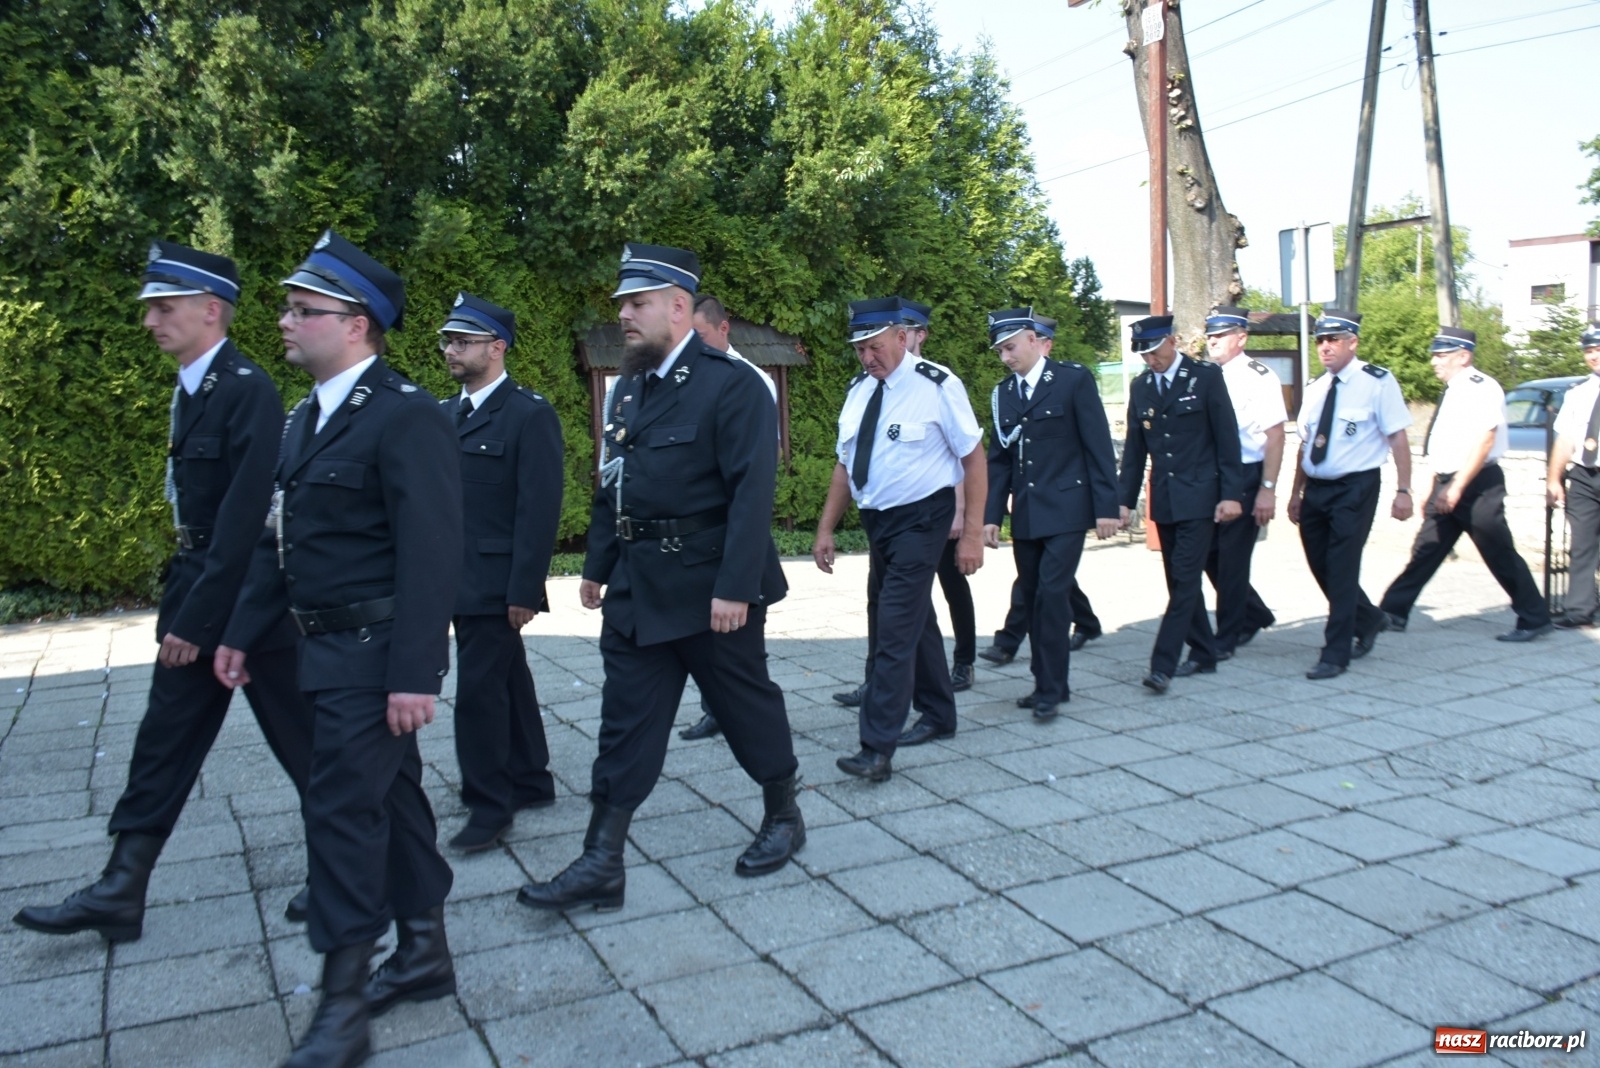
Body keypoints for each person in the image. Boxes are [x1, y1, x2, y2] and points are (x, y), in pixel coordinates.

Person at [14, 243, 314, 944]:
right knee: (164, 739)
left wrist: (201, 619)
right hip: (198, 588)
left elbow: (247, 522)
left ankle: (354, 863)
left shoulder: (248, 389)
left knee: (307, 744)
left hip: (249, 604)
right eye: (151, 307)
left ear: (212, 311)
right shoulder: (193, 388)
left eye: (165, 307)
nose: (150, 320)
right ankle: (122, 885)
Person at [215, 230, 462, 1067]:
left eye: (302, 310)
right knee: (390, 802)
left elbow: (433, 552)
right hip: (321, 649)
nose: (284, 322)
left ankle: (343, 1004)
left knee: (339, 813)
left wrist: (416, 673)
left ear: (356, 324)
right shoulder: (305, 417)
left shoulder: (404, 414)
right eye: (288, 308)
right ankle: (424, 950)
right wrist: (242, 631)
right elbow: (277, 540)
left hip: (376, 651)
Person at [518, 243, 803, 913]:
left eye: (636, 302)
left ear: (679, 307)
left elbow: (751, 492)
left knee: (744, 708)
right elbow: (613, 481)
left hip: (711, 591)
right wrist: (597, 563)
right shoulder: (631, 388)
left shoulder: (734, 385)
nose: (623, 314)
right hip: (639, 588)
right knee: (624, 723)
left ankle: (785, 813)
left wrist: (736, 586)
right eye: (622, 302)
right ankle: (601, 860)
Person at [814, 297, 985, 781]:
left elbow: (974, 460)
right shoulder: (858, 391)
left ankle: (876, 747)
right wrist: (826, 528)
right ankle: (939, 713)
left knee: (893, 625)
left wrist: (971, 533)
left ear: (901, 336)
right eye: (859, 349)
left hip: (923, 519)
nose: (868, 357)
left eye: (874, 346)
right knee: (916, 619)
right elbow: (845, 466)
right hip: (879, 522)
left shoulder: (937, 384)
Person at [438, 292, 564, 851]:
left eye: (462, 341)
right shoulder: (443, 414)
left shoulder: (527, 414)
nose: (450, 350)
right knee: (508, 679)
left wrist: (523, 591)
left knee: (478, 696)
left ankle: (489, 805)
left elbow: (537, 512)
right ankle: (531, 779)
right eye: (447, 340)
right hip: (455, 580)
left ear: (497, 347)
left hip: (495, 584)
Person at [981, 307, 1119, 720]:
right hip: (1026, 513)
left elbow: (1098, 447)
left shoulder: (1073, 381)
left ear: (1033, 340)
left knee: (1052, 597)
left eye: (1011, 347)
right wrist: (991, 516)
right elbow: (1000, 460)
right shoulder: (1004, 393)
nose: (1006, 357)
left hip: (1067, 509)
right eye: (1000, 351)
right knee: (1034, 595)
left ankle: (1051, 689)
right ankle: (1047, 684)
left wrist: (1106, 508)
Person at [1378, 327, 1550, 641]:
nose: (1434, 361)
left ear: (1463, 356)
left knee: (1497, 550)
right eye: (1434, 354)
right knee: (1425, 550)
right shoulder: (1454, 389)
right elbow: (1443, 444)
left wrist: (1456, 487)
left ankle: (1534, 617)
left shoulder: (1480, 387)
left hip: (1477, 484)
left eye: (1441, 355)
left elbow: (1486, 440)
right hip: (1448, 481)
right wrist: (1434, 484)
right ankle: (1393, 611)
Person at [1116, 315, 1246, 693]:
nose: (1150, 360)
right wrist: (1123, 502)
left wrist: (1231, 494)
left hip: (1202, 496)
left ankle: (1163, 665)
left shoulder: (1204, 377)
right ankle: (1204, 652)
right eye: (1143, 354)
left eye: (1155, 351)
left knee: (1186, 581)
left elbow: (1227, 439)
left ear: (1172, 341)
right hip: (1167, 499)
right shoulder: (1141, 388)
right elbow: (1136, 452)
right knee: (1178, 582)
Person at [1287, 310, 1414, 680]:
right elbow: (1305, 444)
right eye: (1320, 341)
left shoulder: (1376, 382)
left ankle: (1335, 652)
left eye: (1334, 340)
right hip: (1317, 488)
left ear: (1352, 343)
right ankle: (1370, 617)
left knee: (1341, 568)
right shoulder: (1315, 388)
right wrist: (1296, 491)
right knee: (1320, 564)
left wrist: (1404, 490)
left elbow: (1398, 437)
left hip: (1354, 487)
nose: (1325, 347)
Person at [677, 292, 778, 742]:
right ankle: (715, 709)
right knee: (699, 629)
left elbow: (757, 468)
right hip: (695, 535)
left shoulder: (750, 380)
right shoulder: (683, 378)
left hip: (736, 524)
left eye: (697, 335)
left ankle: (755, 720)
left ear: (723, 329)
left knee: (742, 641)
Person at [1201, 306, 1286, 656]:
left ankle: (1228, 635)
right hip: (1213, 475)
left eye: (1220, 335)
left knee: (1233, 558)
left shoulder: (1258, 376)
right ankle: (1255, 613)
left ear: (1241, 337)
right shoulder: (1207, 375)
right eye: (1210, 335)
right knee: (1208, 553)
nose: (1212, 341)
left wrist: (1268, 489)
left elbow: (1276, 435)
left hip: (1246, 473)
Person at [1546, 323, 1600, 628]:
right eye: (1589, 351)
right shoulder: (1579, 393)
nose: (1593, 356)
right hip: (1583, 475)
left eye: (1598, 350)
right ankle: (1579, 611)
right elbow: (1565, 439)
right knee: (1581, 544)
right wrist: (1555, 479)